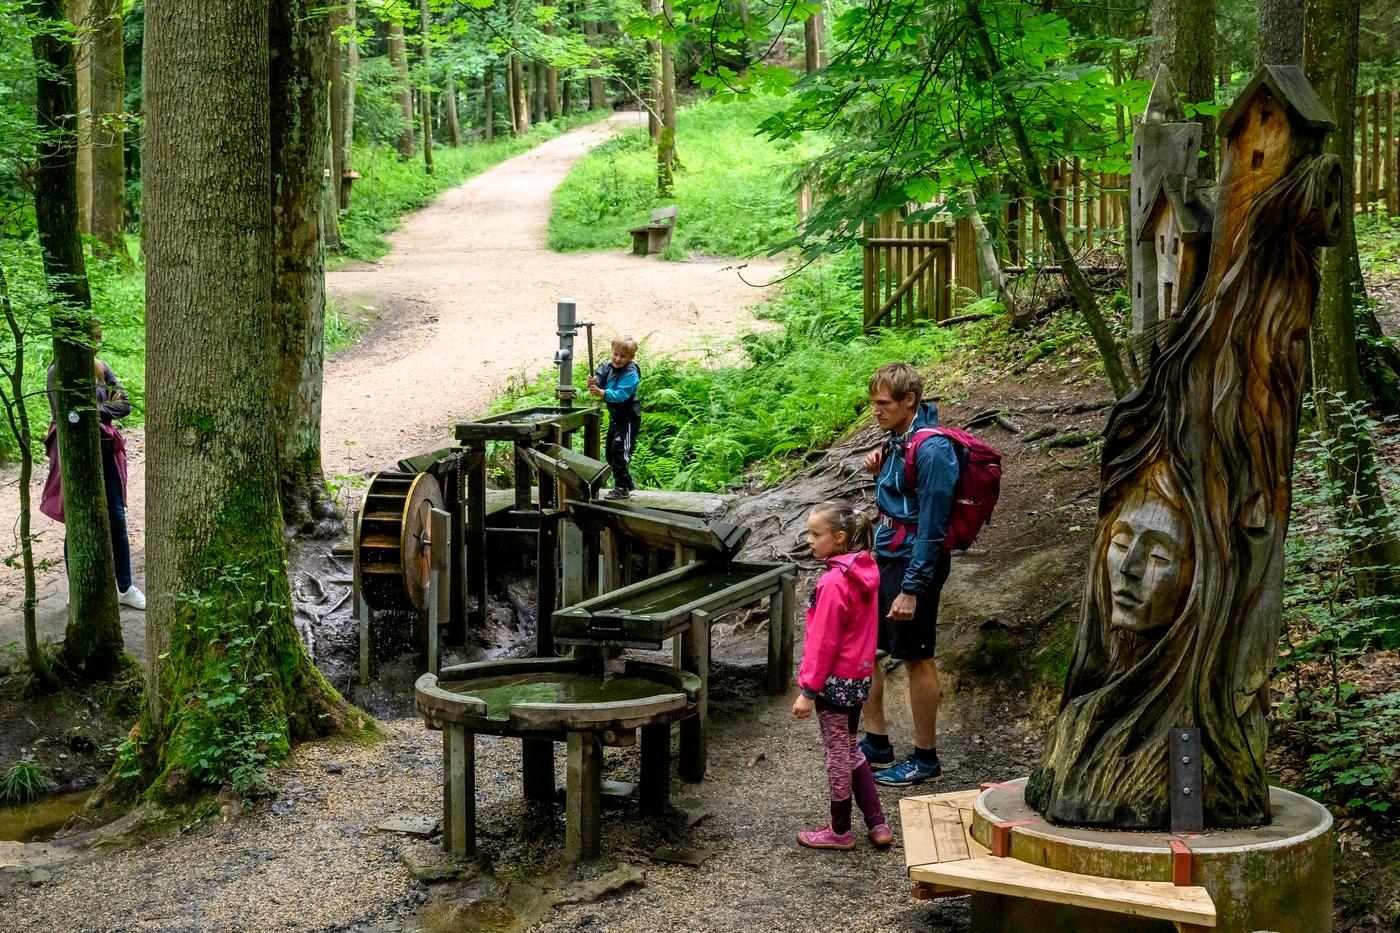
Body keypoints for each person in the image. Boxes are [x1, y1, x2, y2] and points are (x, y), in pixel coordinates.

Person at [858, 362, 958, 785]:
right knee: (869, 648)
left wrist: (912, 588)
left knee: (917, 658)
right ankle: (877, 741)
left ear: (909, 401)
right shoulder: (901, 438)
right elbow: (905, 495)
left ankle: (925, 758)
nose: (874, 411)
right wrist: (880, 474)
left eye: (882, 404)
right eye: (873, 403)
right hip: (888, 556)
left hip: (914, 563)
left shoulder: (934, 450)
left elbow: (934, 525)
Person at [791, 501, 892, 850]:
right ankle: (878, 823)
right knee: (850, 747)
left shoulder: (834, 582)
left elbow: (823, 642)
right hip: (858, 677)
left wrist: (809, 689)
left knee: (837, 753)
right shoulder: (866, 571)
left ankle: (840, 830)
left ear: (840, 537)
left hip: (833, 682)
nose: (809, 541)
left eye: (816, 534)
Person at [40, 322, 145, 610]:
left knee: (116, 518)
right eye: (93, 337)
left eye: (99, 337)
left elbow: (125, 405)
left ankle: (124, 587)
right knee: (77, 521)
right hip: (74, 455)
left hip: (105, 448)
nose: (97, 342)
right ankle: (79, 592)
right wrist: (100, 408)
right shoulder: (57, 372)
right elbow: (66, 413)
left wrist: (91, 408)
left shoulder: (102, 368)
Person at [587, 336, 641, 500]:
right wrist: (593, 382)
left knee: (619, 452)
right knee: (610, 454)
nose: (618, 359)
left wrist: (602, 393)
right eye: (615, 354)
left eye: (623, 356)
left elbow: (621, 395)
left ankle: (622, 487)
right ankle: (627, 483)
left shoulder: (631, 373)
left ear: (631, 357)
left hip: (628, 418)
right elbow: (599, 378)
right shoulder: (607, 367)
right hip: (615, 418)